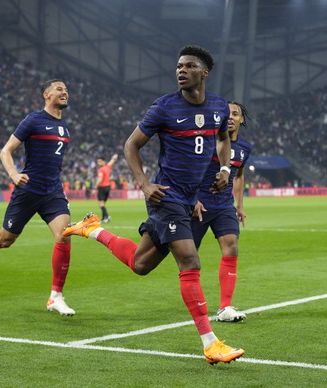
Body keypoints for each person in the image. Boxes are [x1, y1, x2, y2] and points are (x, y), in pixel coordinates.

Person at [63, 45, 244, 364]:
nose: (181, 71)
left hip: (189, 198)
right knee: (190, 261)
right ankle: (210, 343)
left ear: (204, 73)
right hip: (165, 196)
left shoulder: (218, 107)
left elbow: (222, 139)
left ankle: (93, 229)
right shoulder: (163, 108)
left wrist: (225, 169)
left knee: (140, 264)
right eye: (178, 66)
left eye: (188, 66)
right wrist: (144, 183)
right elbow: (131, 145)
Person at [0, 79, 76, 316]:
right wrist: (13, 174)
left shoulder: (64, 127)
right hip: (28, 189)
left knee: (64, 235)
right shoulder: (33, 120)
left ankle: (56, 297)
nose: (64, 92)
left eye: (66, 89)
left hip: (52, 190)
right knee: (5, 240)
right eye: (59, 89)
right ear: (46, 94)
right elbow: (6, 150)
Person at [191, 101, 252, 323]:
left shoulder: (244, 149)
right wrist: (193, 198)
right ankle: (196, 303)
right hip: (199, 204)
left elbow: (238, 175)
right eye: (227, 113)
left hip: (224, 205)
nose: (231, 117)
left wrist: (240, 205)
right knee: (188, 256)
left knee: (231, 245)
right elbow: (191, 168)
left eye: (235, 114)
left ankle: (225, 307)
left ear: (241, 119)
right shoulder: (206, 141)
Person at [96, 154, 118, 223]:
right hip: (108, 187)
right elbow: (111, 162)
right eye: (98, 161)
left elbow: (100, 179)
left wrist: (95, 187)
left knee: (101, 204)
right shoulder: (107, 167)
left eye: (100, 161)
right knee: (103, 204)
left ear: (103, 161)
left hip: (102, 187)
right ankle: (103, 218)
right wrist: (114, 158)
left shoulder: (101, 170)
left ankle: (107, 217)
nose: (98, 163)